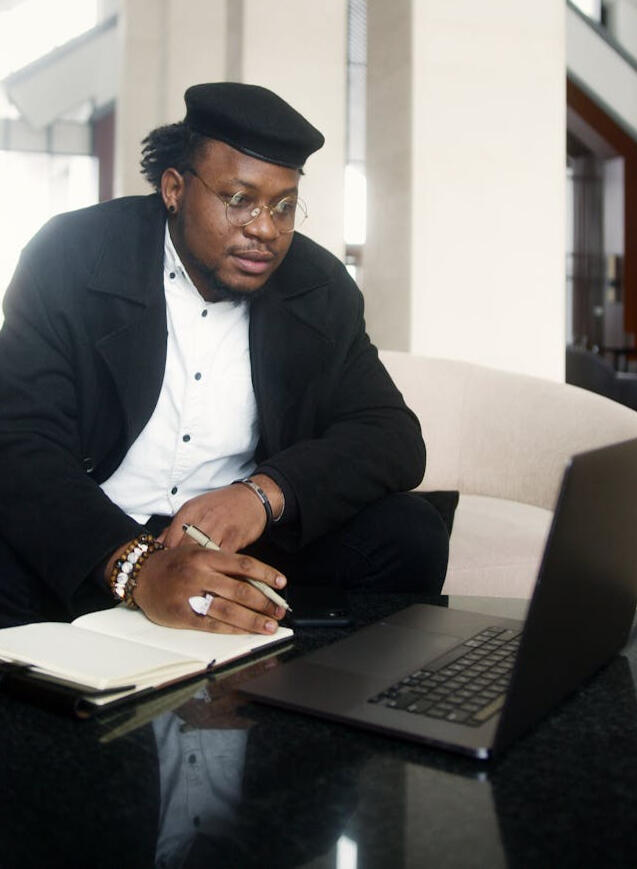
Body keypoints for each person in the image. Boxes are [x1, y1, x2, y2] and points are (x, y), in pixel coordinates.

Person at [0, 82, 448, 633]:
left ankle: (291, 675)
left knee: (409, 533)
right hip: (89, 540)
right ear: (174, 188)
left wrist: (262, 495)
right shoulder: (72, 254)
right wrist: (139, 567)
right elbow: (20, 439)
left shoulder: (319, 286)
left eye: (284, 206)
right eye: (239, 200)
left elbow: (391, 435)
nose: (265, 228)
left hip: (237, 549)